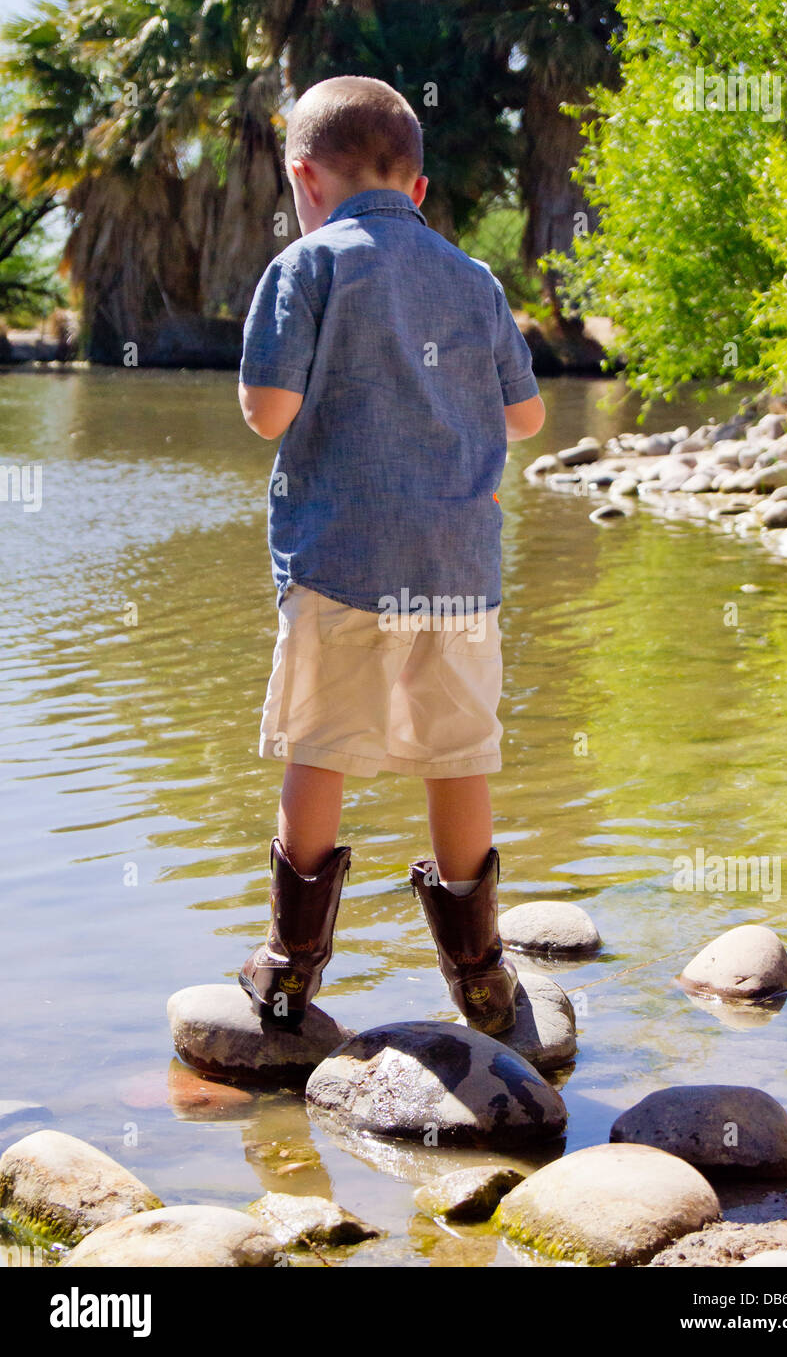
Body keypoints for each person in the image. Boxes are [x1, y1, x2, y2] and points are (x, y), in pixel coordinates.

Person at [237, 75, 545, 1035]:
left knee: (319, 750)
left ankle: (290, 971)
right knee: (457, 757)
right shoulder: (471, 278)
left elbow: (267, 414)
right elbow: (526, 415)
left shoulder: (306, 267)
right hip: (456, 571)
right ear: (416, 187)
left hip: (343, 561)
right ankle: (481, 978)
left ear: (305, 177)